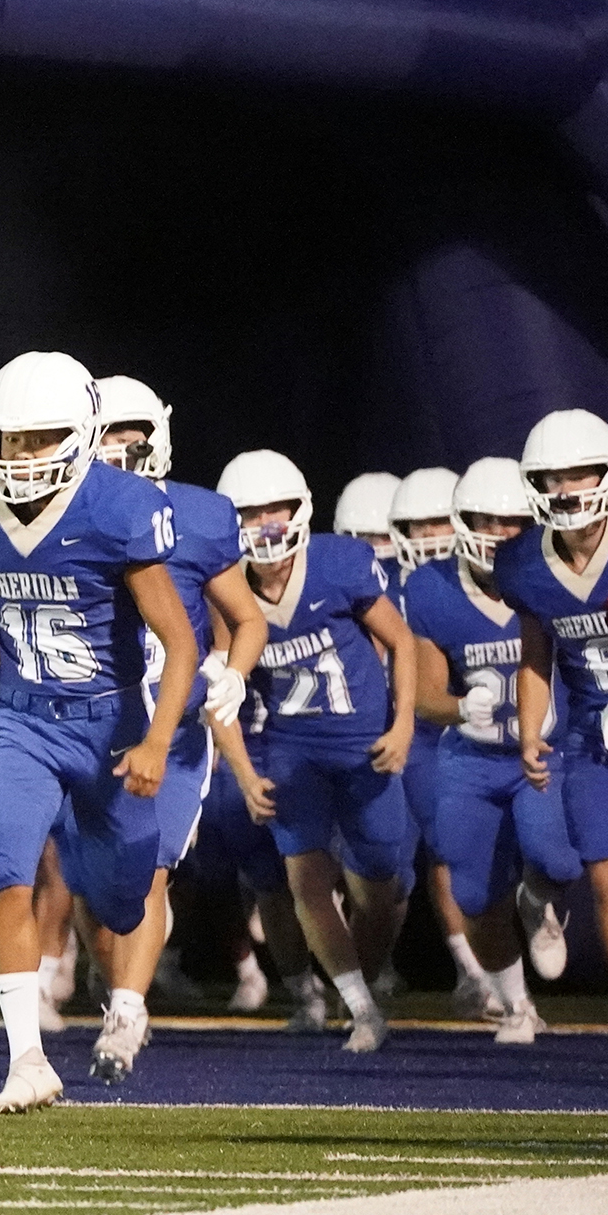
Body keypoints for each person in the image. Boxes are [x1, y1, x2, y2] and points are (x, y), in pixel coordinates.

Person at [0, 354, 197, 1113]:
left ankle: (121, 988)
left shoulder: (117, 508)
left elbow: (180, 644)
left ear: (81, 436)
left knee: (120, 901)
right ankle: (27, 1061)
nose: (22, 457)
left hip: (109, 724)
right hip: (20, 717)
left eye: (41, 438)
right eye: (10, 440)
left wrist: (154, 742)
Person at [75, 375, 259, 1083]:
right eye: (107, 435)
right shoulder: (64, 514)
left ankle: (127, 1010)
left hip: (170, 728)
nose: (121, 449)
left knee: (148, 877)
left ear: (159, 438)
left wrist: (235, 671)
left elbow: (246, 617)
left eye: (133, 435)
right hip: (89, 730)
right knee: (104, 894)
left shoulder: (196, 516)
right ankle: (118, 981)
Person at [216, 449, 416, 1053]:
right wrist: (246, 773)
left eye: (276, 509)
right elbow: (220, 691)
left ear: (301, 509)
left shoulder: (338, 564)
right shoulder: (225, 588)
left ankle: (364, 982)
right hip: (289, 747)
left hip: (364, 745)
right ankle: (360, 1010)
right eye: (250, 514)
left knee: (380, 890)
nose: (267, 525)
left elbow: (401, 642)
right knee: (305, 881)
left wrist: (403, 721)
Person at [402, 456, 555, 1043]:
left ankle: (539, 899)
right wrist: (462, 707)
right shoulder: (432, 587)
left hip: (544, 750)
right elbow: (426, 696)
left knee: (556, 859)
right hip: (470, 756)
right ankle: (518, 1005)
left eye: (511, 521)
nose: (496, 533)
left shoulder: (549, 576)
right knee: (471, 892)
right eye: (483, 519)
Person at [498, 411, 608, 996]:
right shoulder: (522, 564)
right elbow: (534, 653)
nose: (569, 490)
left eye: (582, 474)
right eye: (555, 477)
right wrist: (528, 732)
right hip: (596, 737)